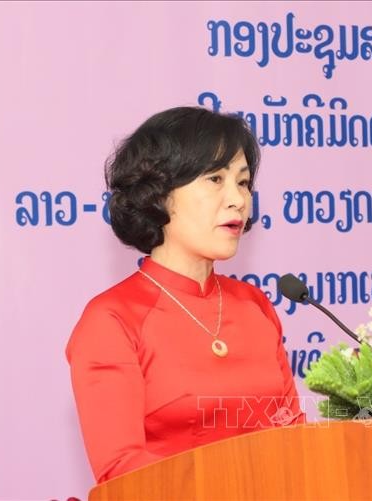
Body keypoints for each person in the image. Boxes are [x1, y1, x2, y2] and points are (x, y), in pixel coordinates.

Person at [66, 107, 304, 483]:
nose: (238, 200)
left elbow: (294, 439)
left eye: (242, 182)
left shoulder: (254, 305)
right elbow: (122, 472)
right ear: (158, 195)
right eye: (214, 179)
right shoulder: (112, 319)